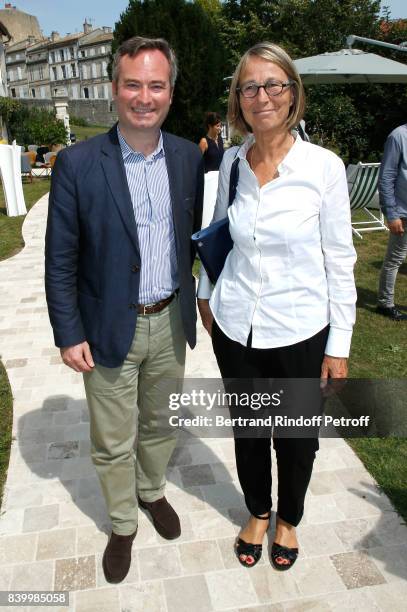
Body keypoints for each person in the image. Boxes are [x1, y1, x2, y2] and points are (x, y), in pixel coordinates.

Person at [45, 36, 204, 583]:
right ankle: (120, 524)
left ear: (170, 92)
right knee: (113, 439)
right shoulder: (78, 163)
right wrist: (69, 332)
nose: (144, 96)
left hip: (170, 319)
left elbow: (195, 237)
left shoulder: (188, 156)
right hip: (109, 327)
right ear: (115, 90)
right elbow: (60, 258)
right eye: (132, 84)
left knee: (160, 425)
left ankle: (152, 491)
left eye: (155, 85)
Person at [197, 41, 356, 571]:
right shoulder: (232, 162)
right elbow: (218, 236)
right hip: (236, 323)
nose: (261, 95)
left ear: (292, 93)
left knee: (295, 437)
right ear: (238, 99)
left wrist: (339, 344)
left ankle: (288, 518)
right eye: (250, 86)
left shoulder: (323, 167)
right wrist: (204, 294)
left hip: (301, 328)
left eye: (273, 84)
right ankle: (258, 512)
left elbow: (341, 258)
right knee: (248, 430)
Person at [376, 123, 407, 321]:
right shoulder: (398, 136)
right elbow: (386, 177)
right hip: (403, 212)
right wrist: (391, 213)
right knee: (395, 259)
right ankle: (385, 303)